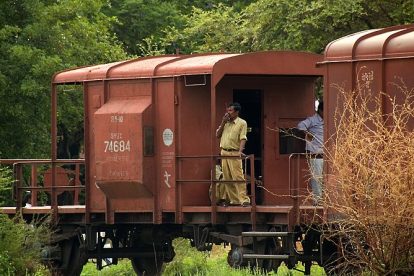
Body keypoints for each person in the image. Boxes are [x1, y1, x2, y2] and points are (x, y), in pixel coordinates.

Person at [216, 102, 250, 207]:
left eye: (230, 111)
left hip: (234, 152)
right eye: (228, 110)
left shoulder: (242, 123)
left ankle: (244, 199)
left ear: (236, 112)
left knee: (238, 176)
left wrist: (240, 151)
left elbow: (243, 137)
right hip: (224, 151)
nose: (228, 113)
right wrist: (222, 122)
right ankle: (234, 199)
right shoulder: (225, 122)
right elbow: (217, 135)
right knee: (227, 177)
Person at [297, 101, 324, 205]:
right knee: (316, 177)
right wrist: (308, 134)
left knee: (326, 178)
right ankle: (318, 201)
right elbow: (300, 125)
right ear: (321, 110)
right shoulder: (313, 120)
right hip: (315, 154)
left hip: (327, 154)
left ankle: (326, 200)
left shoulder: (330, 119)